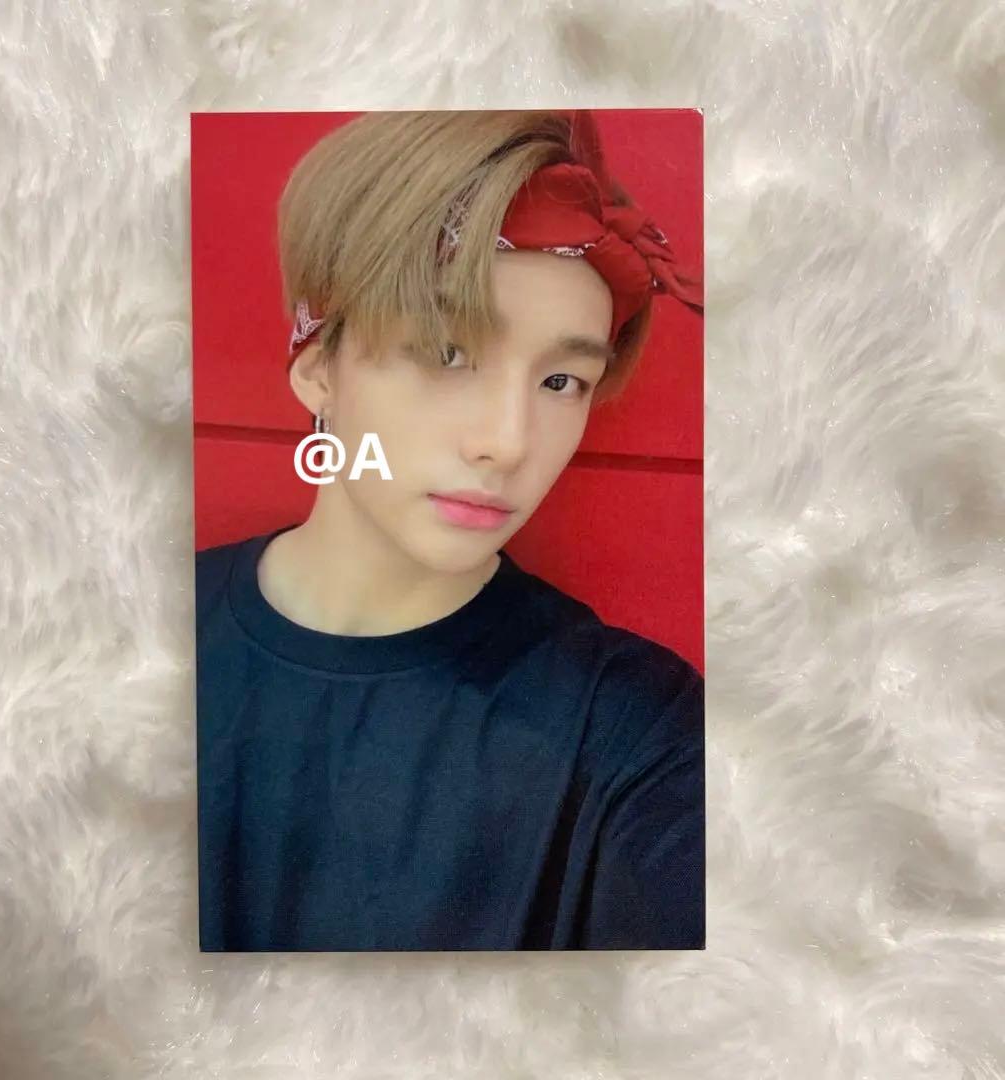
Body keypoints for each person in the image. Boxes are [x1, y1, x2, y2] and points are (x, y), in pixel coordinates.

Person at [196, 109, 705, 951]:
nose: (507, 443)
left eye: (561, 382)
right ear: (319, 368)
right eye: (447, 352)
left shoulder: (636, 732)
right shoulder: (131, 642)